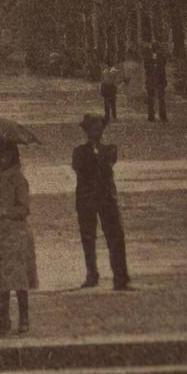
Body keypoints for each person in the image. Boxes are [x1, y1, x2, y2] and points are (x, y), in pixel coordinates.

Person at [0, 139, 37, 335]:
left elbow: (24, 209)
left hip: (15, 235)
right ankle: (3, 318)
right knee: (0, 278)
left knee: (19, 278)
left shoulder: (19, 180)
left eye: (3, 156)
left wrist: (5, 211)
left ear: (12, 156)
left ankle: (24, 319)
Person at [72, 113, 132, 291]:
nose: (96, 132)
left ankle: (120, 277)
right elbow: (79, 168)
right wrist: (93, 151)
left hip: (107, 198)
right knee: (88, 237)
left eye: (99, 128)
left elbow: (109, 163)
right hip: (86, 199)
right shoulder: (79, 151)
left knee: (116, 237)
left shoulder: (110, 149)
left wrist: (97, 152)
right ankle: (92, 274)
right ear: (86, 131)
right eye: (92, 129)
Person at [143, 40, 169, 123]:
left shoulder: (160, 57)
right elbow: (146, 68)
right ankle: (153, 117)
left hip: (157, 80)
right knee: (153, 99)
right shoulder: (149, 57)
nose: (156, 50)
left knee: (159, 99)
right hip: (154, 80)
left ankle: (160, 116)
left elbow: (162, 67)